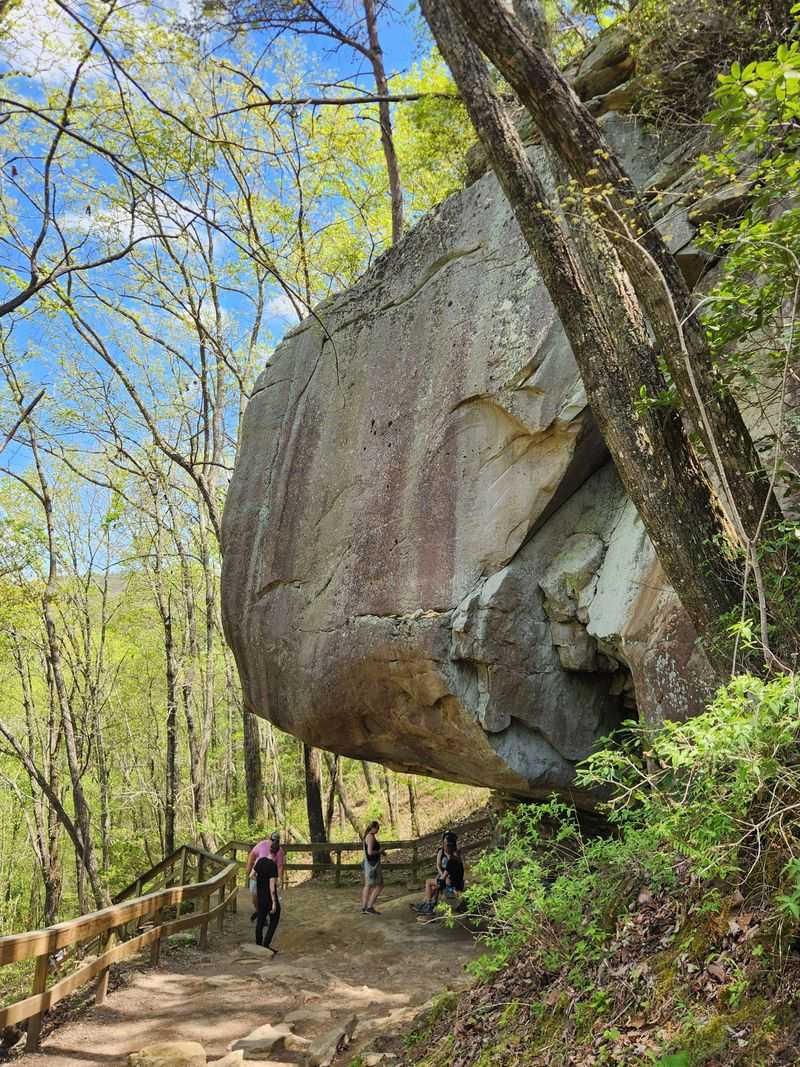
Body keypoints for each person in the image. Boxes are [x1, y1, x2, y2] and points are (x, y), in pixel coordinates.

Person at [416, 833, 463, 914]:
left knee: (429, 882)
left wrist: (443, 881)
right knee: (434, 887)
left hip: (451, 883)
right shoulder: (453, 857)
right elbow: (442, 869)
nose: (444, 845)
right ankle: (430, 903)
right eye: (444, 843)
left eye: (446, 844)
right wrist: (441, 878)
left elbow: (445, 879)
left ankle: (428, 906)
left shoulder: (452, 860)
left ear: (450, 845)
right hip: (449, 879)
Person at [246, 831, 286, 921]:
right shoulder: (262, 844)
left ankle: (263, 916)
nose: (274, 842)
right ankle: (259, 911)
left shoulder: (279, 851)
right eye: (273, 840)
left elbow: (280, 866)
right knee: (255, 896)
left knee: (267, 897)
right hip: (256, 874)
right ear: (269, 839)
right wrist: (249, 867)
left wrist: (279, 879)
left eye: (276, 841)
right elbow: (252, 854)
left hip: (269, 877)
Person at [254, 851, 280, 952]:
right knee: (274, 920)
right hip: (269, 898)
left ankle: (258, 944)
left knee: (260, 920)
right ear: (276, 854)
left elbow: (251, 875)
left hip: (260, 897)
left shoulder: (260, 861)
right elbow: (272, 887)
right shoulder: (273, 866)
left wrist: (260, 883)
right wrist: (274, 902)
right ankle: (266, 944)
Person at [361, 820, 385, 915]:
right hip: (373, 864)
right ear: (373, 828)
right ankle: (370, 907)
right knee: (379, 885)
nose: (378, 830)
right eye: (377, 828)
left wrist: (380, 852)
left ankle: (364, 907)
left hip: (369, 863)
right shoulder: (370, 837)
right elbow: (370, 852)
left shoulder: (368, 836)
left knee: (368, 885)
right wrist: (380, 851)